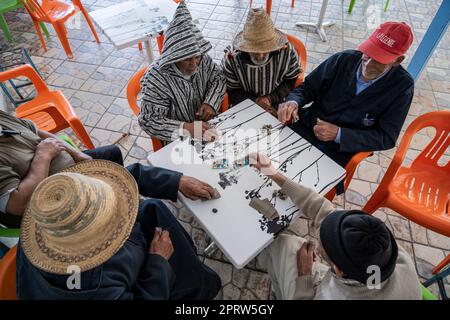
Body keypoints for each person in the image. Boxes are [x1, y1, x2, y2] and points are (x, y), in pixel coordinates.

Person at [16, 160, 221, 299]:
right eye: (114, 216)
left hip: (121, 265)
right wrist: (158, 263)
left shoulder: (46, 224)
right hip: (137, 287)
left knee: (151, 208)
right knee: (197, 282)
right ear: (96, 243)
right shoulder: (90, 286)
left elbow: (123, 178)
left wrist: (176, 181)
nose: (122, 211)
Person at [0, 110, 219, 228]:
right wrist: (42, 158)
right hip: (53, 199)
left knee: (112, 154)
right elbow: (17, 205)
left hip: (67, 167)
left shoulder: (3, 118)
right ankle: (121, 207)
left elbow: (40, 133)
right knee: (150, 209)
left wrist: (76, 153)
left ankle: (125, 194)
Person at [251, 152, 421, 300]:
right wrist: (273, 173)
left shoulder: (334, 297)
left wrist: (304, 277)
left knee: (283, 244)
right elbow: (321, 208)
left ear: (338, 270)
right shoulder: (391, 253)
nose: (321, 226)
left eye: (321, 241)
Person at [278, 22, 414, 167]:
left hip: (341, 150)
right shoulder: (343, 59)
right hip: (307, 127)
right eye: (368, 54)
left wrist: (339, 134)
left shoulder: (402, 86)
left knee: (304, 186)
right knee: (267, 162)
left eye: (378, 60)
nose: (368, 65)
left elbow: (386, 137)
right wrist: (293, 102)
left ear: (397, 60)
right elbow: (308, 87)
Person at [138, 1, 226, 143]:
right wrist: (186, 128)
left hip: (208, 129)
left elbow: (218, 78)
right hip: (178, 140)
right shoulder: (156, 79)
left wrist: (211, 102)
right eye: (186, 59)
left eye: (196, 57)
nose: (194, 64)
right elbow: (149, 121)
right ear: (174, 57)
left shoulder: (203, 59)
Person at [222, 8, 300, 115]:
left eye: (266, 49)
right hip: (244, 103)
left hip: (276, 101)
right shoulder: (232, 58)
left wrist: (270, 99)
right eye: (255, 51)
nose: (261, 56)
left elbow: (290, 80)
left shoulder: (287, 52)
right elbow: (232, 90)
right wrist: (255, 102)